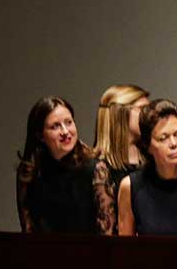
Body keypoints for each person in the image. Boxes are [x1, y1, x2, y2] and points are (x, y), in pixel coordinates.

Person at [15, 95, 115, 234]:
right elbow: (28, 230)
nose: (65, 132)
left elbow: (106, 232)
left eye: (69, 122)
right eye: (55, 126)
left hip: (90, 253)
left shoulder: (95, 169)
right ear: (40, 135)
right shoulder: (28, 173)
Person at [117, 99, 177, 236]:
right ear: (147, 146)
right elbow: (125, 248)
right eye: (163, 138)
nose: (174, 144)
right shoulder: (131, 186)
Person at [93, 83, 150, 223]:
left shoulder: (152, 159)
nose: (150, 115)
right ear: (120, 114)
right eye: (143, 109)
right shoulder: (99, 169)